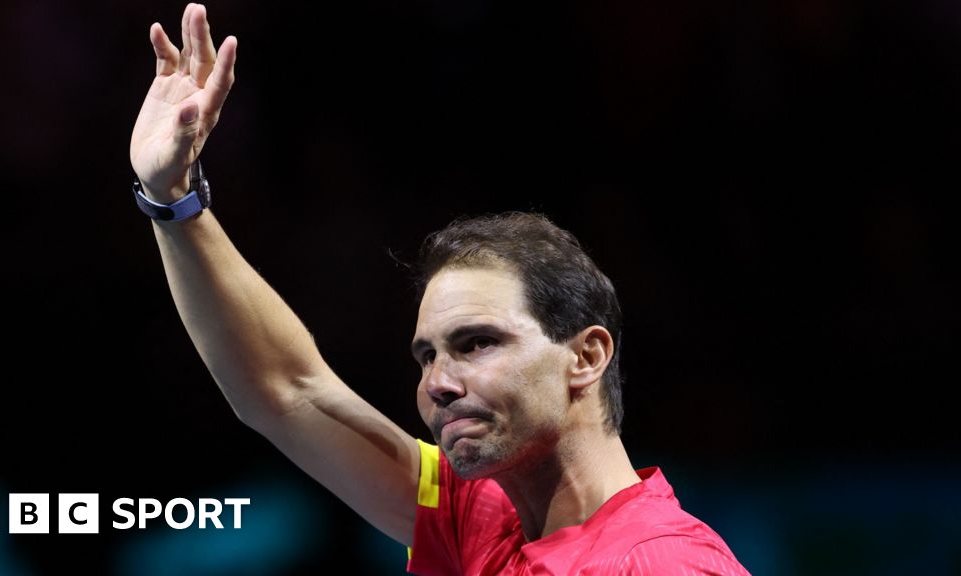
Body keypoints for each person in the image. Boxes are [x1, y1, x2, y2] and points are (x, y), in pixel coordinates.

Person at [129, 4, 751, 574]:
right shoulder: (478, 520)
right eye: (427, 356)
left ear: (586, 356)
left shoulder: (659, 563)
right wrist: (172, 201)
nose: (438, 384)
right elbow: (288, 391)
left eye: (477, 343)